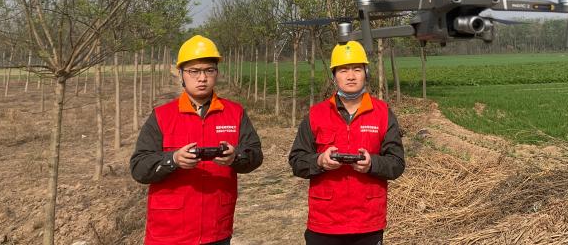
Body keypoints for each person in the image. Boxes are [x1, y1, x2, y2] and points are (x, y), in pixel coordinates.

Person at [130, 35, 262, 245]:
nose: (202, 78)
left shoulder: (235, 113)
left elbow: (255, 155)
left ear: (217, 73)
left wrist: (235, 157)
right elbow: (139, 168)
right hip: (168, 232)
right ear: (181, 74)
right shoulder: (162, 116)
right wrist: (173, 159)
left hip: (216, 230)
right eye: (194, 71)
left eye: (209, 70)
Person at [289, 41, 405, 245]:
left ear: (366, 73)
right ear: (334, 75)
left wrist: (372, 164)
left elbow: (397, 163)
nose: (351, 76)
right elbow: (297, 161)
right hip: (324, 222)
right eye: (343, 70)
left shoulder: (383, 113)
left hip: (367, 223)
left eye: (357, 69)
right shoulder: (316, 114)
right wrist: (320, 161)